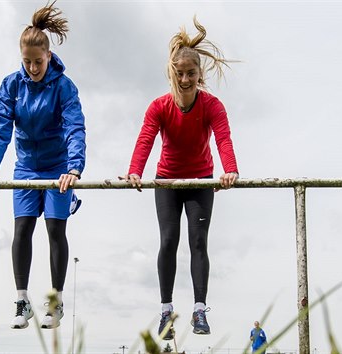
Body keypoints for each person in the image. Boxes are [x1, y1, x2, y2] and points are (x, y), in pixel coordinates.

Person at [124, 17, 239, 339]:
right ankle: (165, 313)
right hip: (167, 182)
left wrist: (230, 169)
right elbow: (145, 139)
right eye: (180, 73)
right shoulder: (159, 107)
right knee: (168, 241)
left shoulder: (212, 105)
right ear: (171, 73)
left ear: (199, 74)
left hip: (201, 181)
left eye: (191, 73)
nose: (185, 79)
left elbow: (223, 139)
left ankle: (199, 311)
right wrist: (135, 171)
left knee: (198, 241)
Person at [0, 0, 86, 330]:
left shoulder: (64, 87)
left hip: (57, 170)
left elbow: (74, 127)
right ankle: (22, 301)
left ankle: (55, 301)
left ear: (49, 57)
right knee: (22, 229)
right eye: (27, 62)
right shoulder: (12, 84)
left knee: (55, 229)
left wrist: (74, 167)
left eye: (38, 61)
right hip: (25, 168)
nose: (33, 68)